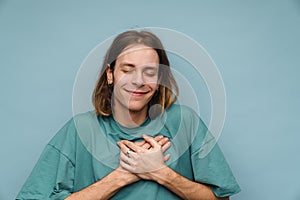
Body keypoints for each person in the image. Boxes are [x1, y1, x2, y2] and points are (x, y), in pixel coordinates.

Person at [16, 30, 241, 200]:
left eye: (150, 72)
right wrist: (123, 174)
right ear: (110, 74)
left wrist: (160, 173)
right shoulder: (81, 130)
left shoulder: (185, 122)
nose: (139, 80)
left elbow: (222, 199)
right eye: (128, 69)